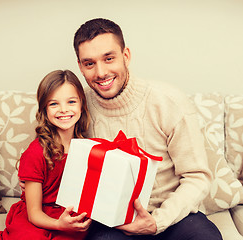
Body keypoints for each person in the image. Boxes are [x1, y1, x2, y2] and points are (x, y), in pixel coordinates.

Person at [73, 18, 223, 240]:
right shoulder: (76, 106)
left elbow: (197, 177)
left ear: (126, 56)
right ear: (80, 67)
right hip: (113, 222)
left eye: (109, 58)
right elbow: (59, 156)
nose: (101, 72)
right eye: (89, 63)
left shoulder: (168, 101)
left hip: (173, 216)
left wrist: (158, 222)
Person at [0, 70, 91, 240]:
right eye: (54, 104)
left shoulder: (87, 148)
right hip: (36, 217)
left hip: (66, 215)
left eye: (71, 101)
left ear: (81, 105)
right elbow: (34, 213)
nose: (64, 110)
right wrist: (58, 224)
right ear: (44, 109)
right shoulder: (35, 153)